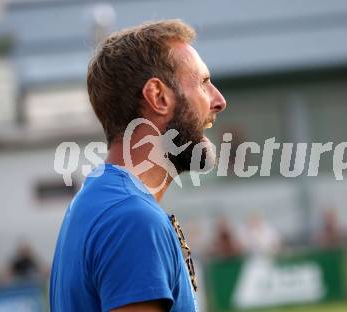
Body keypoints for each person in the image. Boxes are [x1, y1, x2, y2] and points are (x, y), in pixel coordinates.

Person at [50, 20, 226, 312]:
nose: (219, 101)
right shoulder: (131, 218)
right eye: (204, 83)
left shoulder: (100, 201)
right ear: (158, 96)